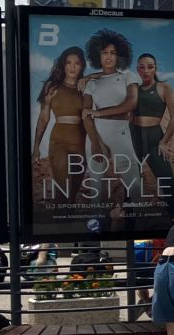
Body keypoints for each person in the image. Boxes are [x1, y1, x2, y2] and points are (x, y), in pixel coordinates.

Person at [80, 30, 142, 215]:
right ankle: (95, 225)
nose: (108, 57)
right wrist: (95, 142)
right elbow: (86, 115)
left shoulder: (127, 76)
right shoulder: (91, 83)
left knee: (133, 179)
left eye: (113, 53)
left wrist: (99, 112)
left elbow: (131, 103)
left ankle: (140, 220)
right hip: (96, 133)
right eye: (104, 52)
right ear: (97, 54)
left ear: (119, 55)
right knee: (96, 182)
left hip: (121, 132)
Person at [34, 47, 98, 203]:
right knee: (63, 189)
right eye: (69, 63)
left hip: (79, 145)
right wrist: (36, 147)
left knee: (73, 192)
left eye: (77, 63)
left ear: (82, 66)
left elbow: (109, 75)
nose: (72, 66)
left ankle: (66, 224)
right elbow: (43, 119)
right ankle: (59, 223)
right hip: (59, 143)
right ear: (63, 65)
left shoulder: (86, 88)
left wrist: (89, 77)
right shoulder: (52, 87)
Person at [132, 53, 174, 215]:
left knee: (166, 179)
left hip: (155, 136)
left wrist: (164, 142)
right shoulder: (134, 89)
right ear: (137, 69)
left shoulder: (164, 88)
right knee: (130, 181)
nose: (146, 71)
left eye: (150, 67)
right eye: (142, 67)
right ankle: (128, 223)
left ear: (155, 68)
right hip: (134, 136)